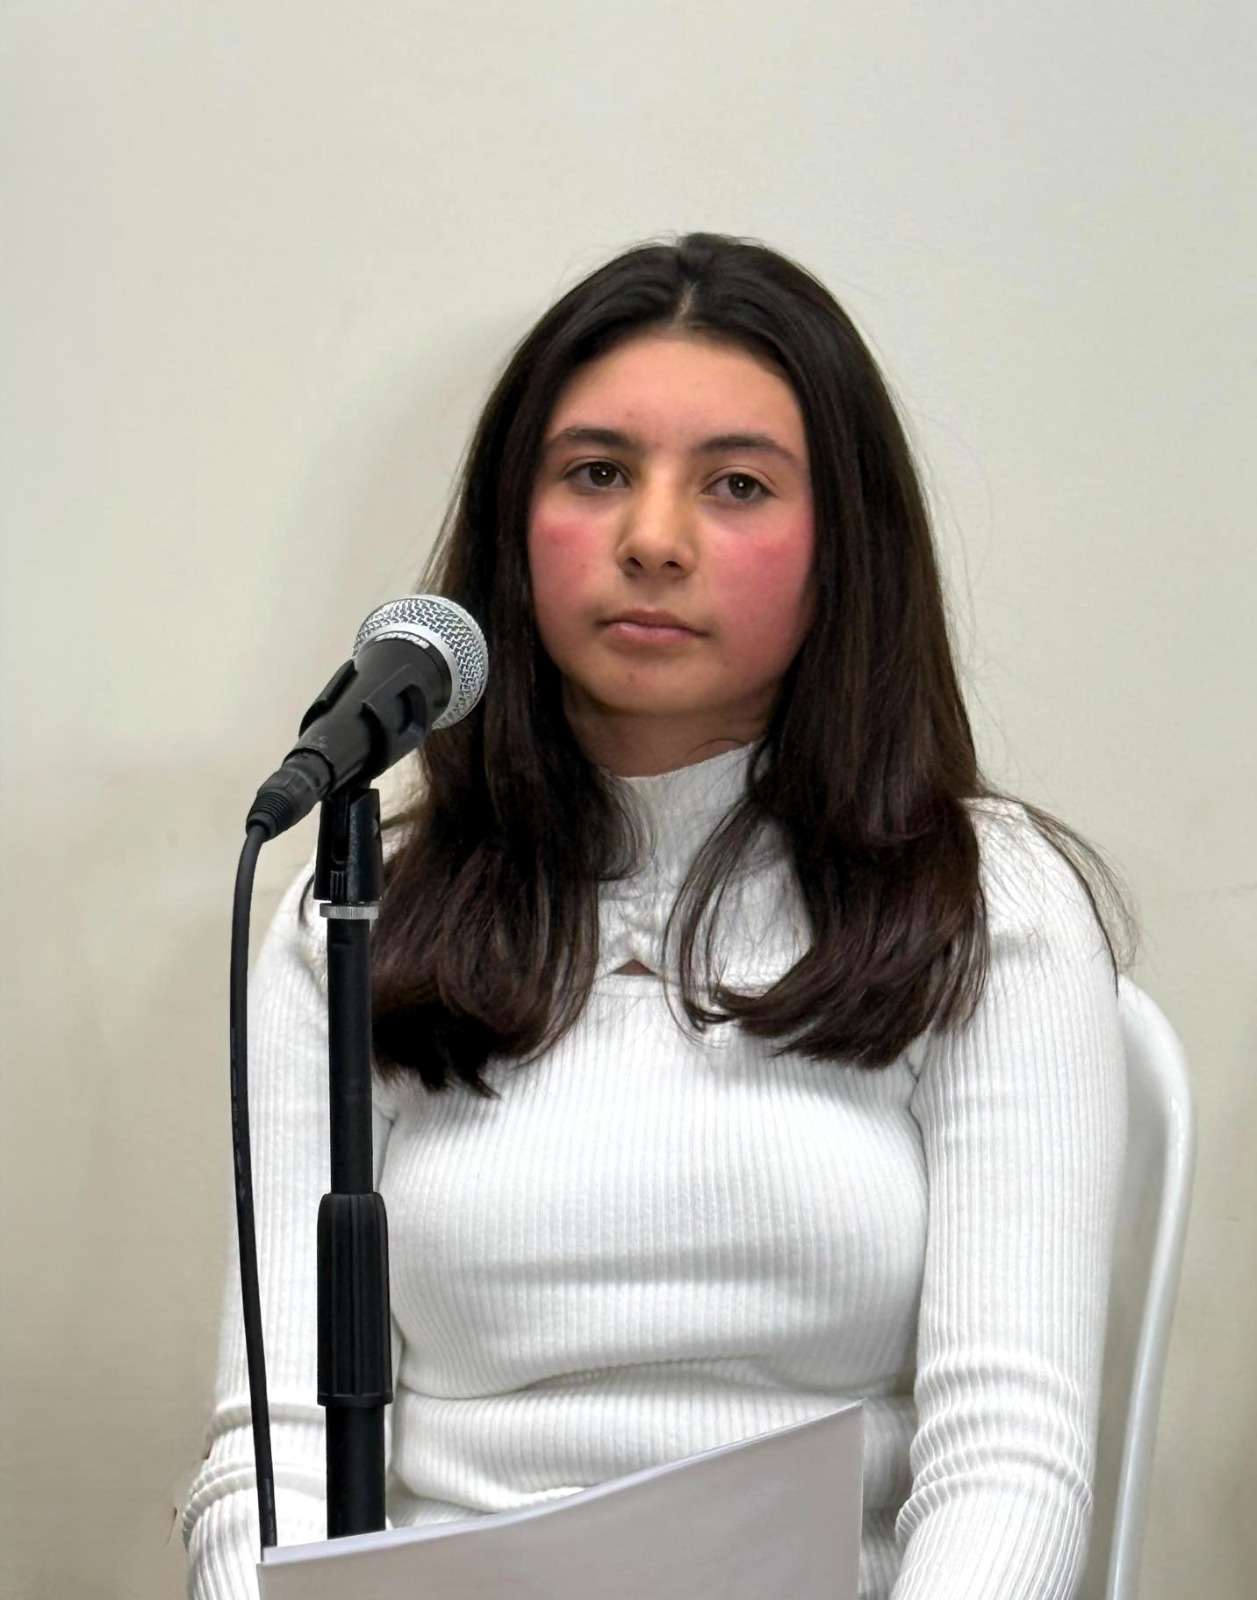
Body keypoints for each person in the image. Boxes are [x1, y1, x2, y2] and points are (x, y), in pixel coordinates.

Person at [182, 233, 1129, 1600]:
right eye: (596, 473)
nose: (653, 539)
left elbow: (1010, 1457)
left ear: (842, 550)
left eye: (737, 485)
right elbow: (267, 1456)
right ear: (516, 528)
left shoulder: (986, 904)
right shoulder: (356, 908)